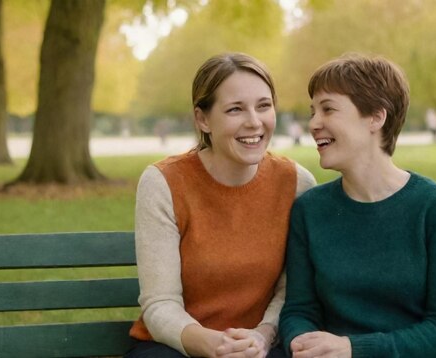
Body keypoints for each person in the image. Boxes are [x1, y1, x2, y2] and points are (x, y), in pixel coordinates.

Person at [279, 54, 436, 357]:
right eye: (313, 112)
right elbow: (299, 309)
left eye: (328, 109)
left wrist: (355, 348)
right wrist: (305, 343)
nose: (314, 123)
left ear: (376, 117)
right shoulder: (310, 210)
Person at [127, 52, 316, 358]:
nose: (254, 122)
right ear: (202, 119)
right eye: (235, 109)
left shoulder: (297, 184)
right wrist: (215, 345)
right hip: (178, 347)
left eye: (264, 106)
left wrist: (262, 337)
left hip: (262, 345)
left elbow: (291, 292)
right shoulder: (163, 183)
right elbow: (160, 303)